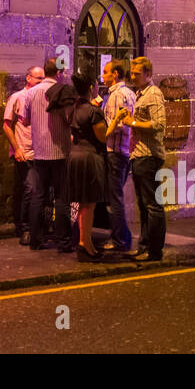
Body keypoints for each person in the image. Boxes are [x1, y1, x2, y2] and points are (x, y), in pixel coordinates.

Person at [68, 73, 130, 262]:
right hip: (89, 157)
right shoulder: (94, 112)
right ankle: (85, 245)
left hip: (74, 155)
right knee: (89, 204)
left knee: (81, 203)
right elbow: (103, 137)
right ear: (90, 88)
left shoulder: (73, 108)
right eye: (96, 84)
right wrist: (118, 116)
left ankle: (85, 243)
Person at [18, 58, 72, 252]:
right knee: (61, 198)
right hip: (60, 151)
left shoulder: (30, 93)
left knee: (38, 196)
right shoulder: (64, 91)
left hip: (39, 151)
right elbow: (69, 119)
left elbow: (25, 120)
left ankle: (36, 240)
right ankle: (63, 241)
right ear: (58, 73)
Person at [126, 56, 167, 261]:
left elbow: (158, 124)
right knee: (143, 204)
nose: (133, 76)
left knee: (152, 205)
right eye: (132, 73)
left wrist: (131, 122)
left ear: (148, 74)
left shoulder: (153, 94)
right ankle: (144, 245)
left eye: (137, 73)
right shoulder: (141, 94)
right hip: (138, 154)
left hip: (149, 155)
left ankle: (154, 250)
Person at [3, 67, 43, 244]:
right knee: (29, 189)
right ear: (28, 78)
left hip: (41, 152)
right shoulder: (17, 97)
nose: (41, 82)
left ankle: (37, 227)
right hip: (24, 152)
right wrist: (17, 148)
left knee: (39, 191)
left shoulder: (43, 97)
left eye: (43, 79)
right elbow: (6, 125)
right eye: (38, 78)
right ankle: (24, 228)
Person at [99, 61, 136, 252]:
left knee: (115, 199)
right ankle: (123, 237)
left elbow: (116, 126)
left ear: (115, 74)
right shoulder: (129, 93)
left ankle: (120, 239)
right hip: (124, 152)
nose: (102, 75)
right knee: (116, 196)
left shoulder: (116, 96)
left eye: (105, 72)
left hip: (115, 152)